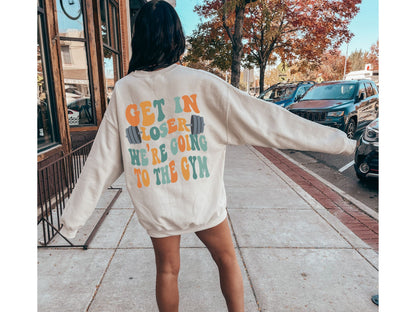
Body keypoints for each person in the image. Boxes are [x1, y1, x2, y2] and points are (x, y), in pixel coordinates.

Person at [60, 1, 356, 311]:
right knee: (226, 259)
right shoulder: (201, 83)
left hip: (157, 203)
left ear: (139, 39)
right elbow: (269, 121)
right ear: (177, 37)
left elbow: (101, 161)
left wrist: (72, 221)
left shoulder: (124, 90)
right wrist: (343, 143)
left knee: (167, 270)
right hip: (203, 199)